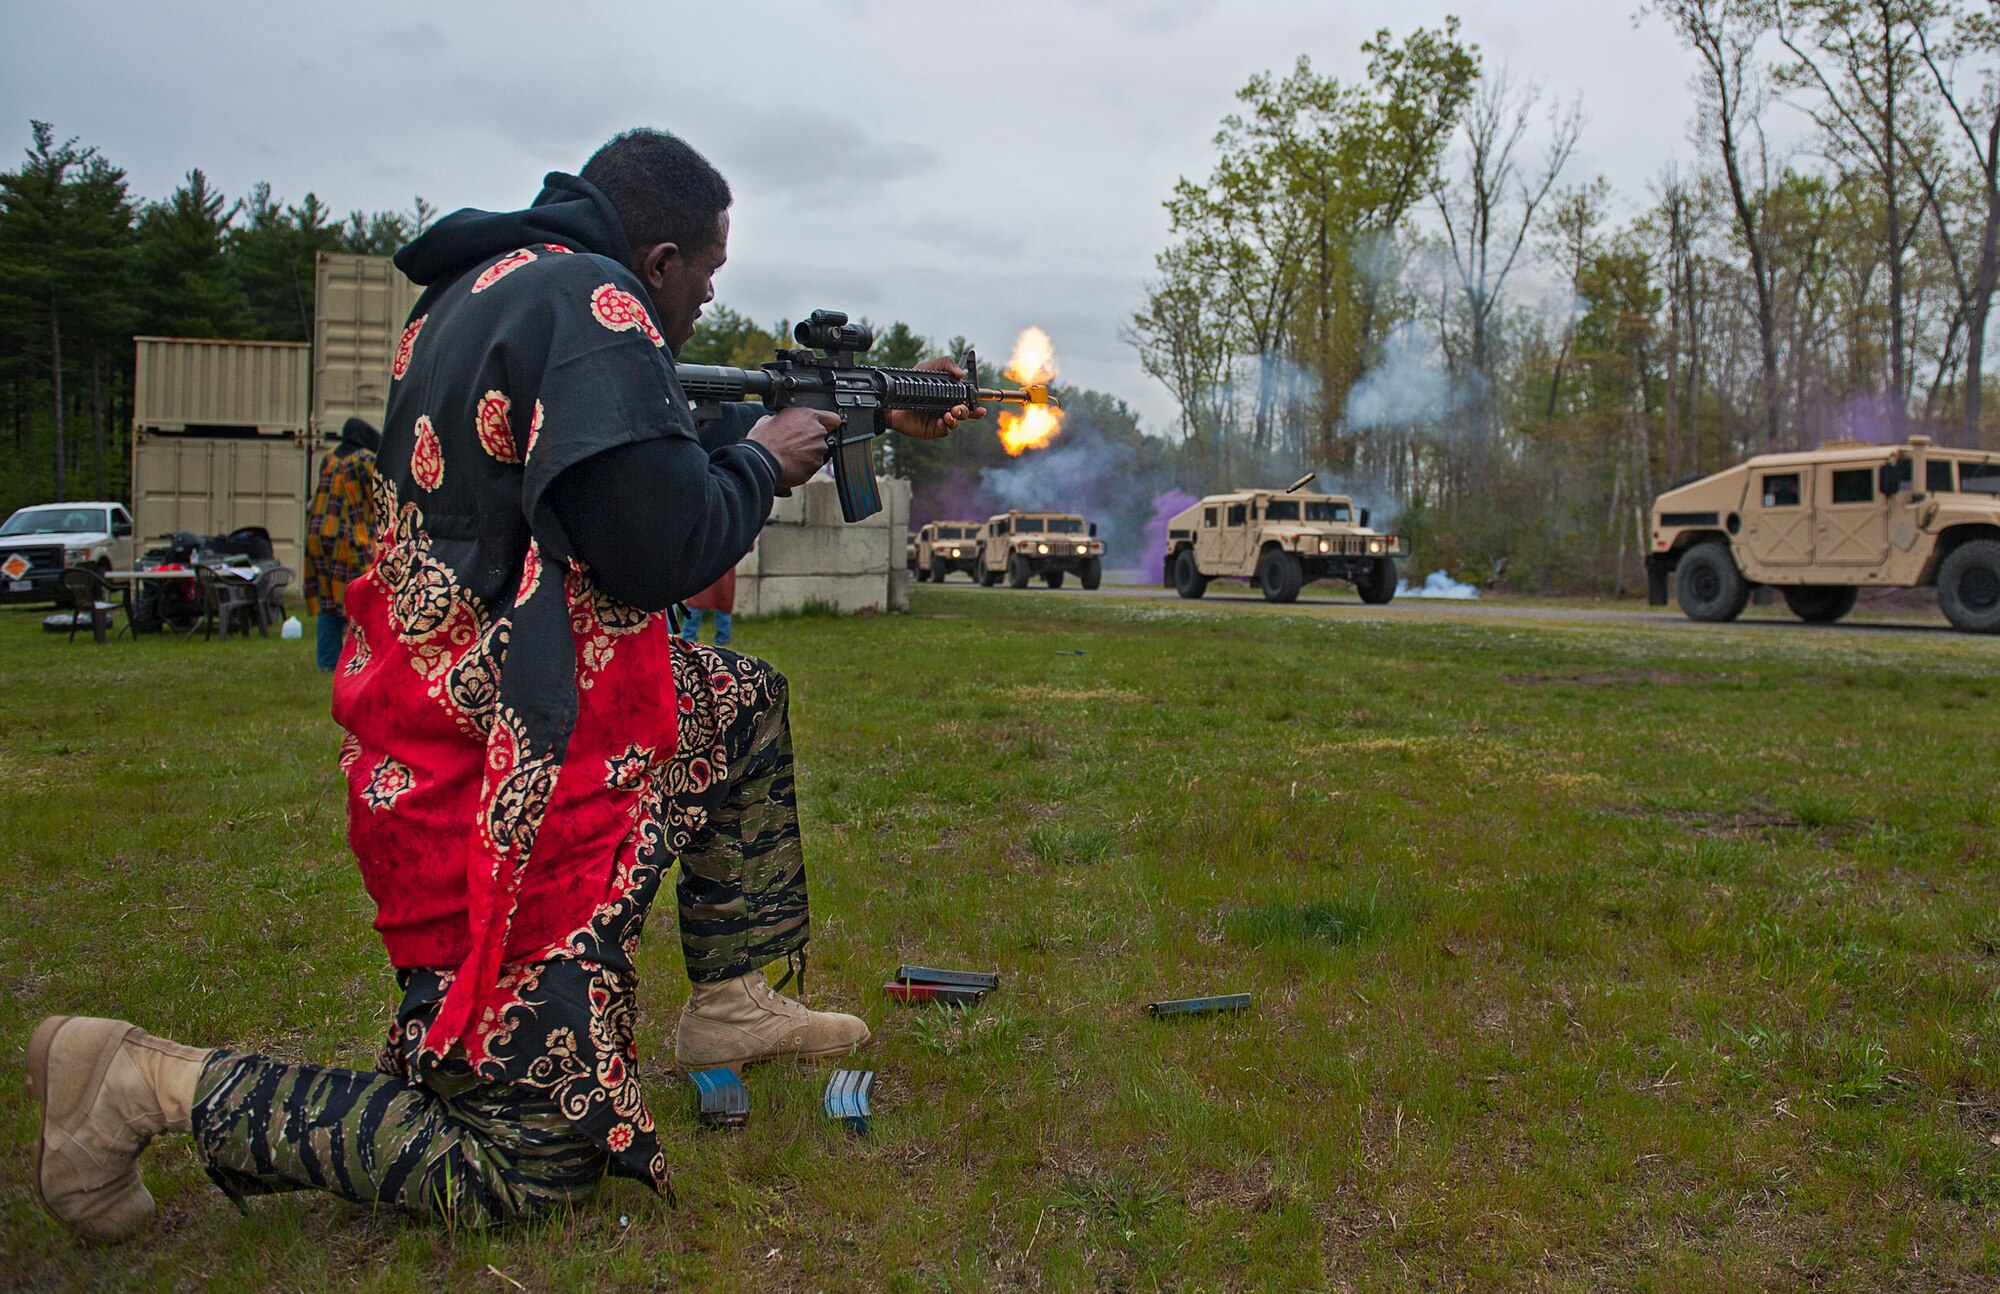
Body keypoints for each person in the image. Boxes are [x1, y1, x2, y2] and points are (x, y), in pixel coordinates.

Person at [26, 127, 980, 1239]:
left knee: (737, 699)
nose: (696, 308)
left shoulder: (496, 289)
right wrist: (766, 460)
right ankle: (142, 1082)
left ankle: (729, 1004)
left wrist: (837, 418)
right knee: (536, 1160)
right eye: (703, 279)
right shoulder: (602, 305)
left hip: (470, 722)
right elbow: (658, 543)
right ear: (660, 256)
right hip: (502, 784)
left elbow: (620, 461)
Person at [302, 417, 379, 671]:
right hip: (349, 539)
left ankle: (327, 662)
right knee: (362, 597)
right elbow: (380, 496)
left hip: (318, 535)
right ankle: (362, 659)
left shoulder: (330, 456)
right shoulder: (365, 460)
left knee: (328, 600)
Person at [680, 567, 736, 646]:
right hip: (704, 565)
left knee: (724, 601)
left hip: (724, 565)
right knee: (696, 601)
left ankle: (723, 638)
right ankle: (688, 637)